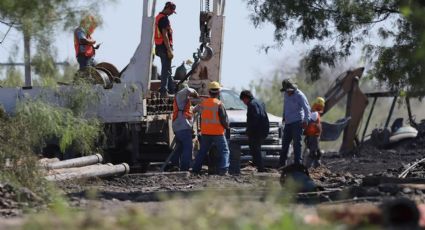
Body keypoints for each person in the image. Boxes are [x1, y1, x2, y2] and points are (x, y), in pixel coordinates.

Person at [192, 81, 230, 175]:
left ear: (209, 92)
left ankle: (195, 169)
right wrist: (227, 127)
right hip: (217, 133)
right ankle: (223, 170)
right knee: (225, 151)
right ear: (218, 92)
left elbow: (194, 110)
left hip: (205, 133)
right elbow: (224, 120)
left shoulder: (203, 104)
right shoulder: (219, 104)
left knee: (202, 152)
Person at [236, 90, 269, 173]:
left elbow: (255, 117)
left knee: (255, 149)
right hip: (263, 129)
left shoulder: (251, 104)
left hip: (257, 131)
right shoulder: (259, 102)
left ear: (246, 98)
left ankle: (260, 168)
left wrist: (249, 131)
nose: (244, 102)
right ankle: (257, 165)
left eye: (243, 100)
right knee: (255, 148)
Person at [279, 79, 311, 167]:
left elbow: (307, 109)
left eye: (289, 90)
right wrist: (284, 117)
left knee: (297, 145)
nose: (288, 92)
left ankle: (298, 166)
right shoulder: (286, 94)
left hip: (297, 123)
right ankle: (281, 166)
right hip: (288, 124)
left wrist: (306, 121)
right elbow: (285, 106)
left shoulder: (300, 95)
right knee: (284, 145)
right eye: (286, 91)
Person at [171, 84, 199, 171]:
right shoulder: (180, 94)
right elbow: (188, 90)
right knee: (188, 147)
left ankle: (175, 165)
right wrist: (195, 93)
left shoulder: (182, 100)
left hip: (180, 126)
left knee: (180, 147)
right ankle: (184, 168)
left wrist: (195, 108)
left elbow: (188, 110)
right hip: (182, 126)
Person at [155, 2, 176, 97]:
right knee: (165, 69)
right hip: (164, 47)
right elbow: (165, 35)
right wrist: (169, 50)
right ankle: (164, 90)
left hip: (159, 46)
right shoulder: (164, 18)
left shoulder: (158, 17)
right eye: (171, 10)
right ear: (167, 8)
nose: (172, 13)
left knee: (167, 69)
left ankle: (171, 89)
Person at [304, 97, 325, 168]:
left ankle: (317, 167)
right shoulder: (314, 114)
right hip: (313, 137)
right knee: (313, 153)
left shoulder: (312, 112)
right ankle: (307, 168)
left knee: (317, 153)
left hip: (313, 136)